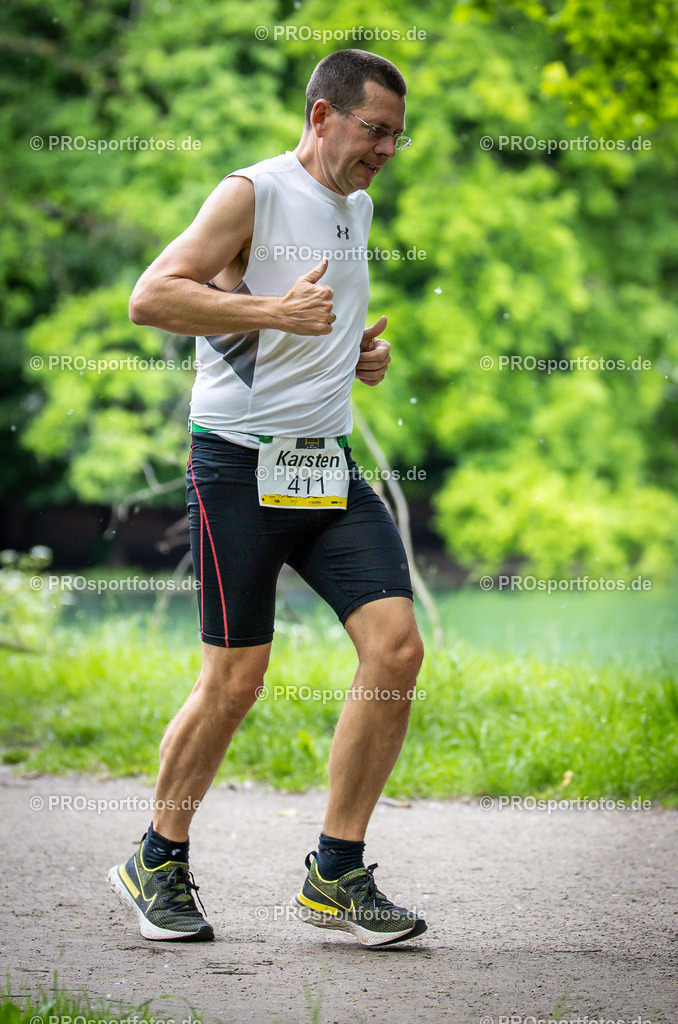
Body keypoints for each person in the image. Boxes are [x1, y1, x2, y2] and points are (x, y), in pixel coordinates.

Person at [108, 48, 426, 948]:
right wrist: (274, 314)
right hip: (238, 469)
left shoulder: (355, 204)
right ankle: (156, 859)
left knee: (396, 650)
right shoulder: (250, 192)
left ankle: (336, 872)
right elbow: (152, 297)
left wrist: (355, 354)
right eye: (375, 131)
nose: (386, 151)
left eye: (397, 137)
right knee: (236, 679)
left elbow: (300, 324)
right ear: (322, 116)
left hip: (324, 465)